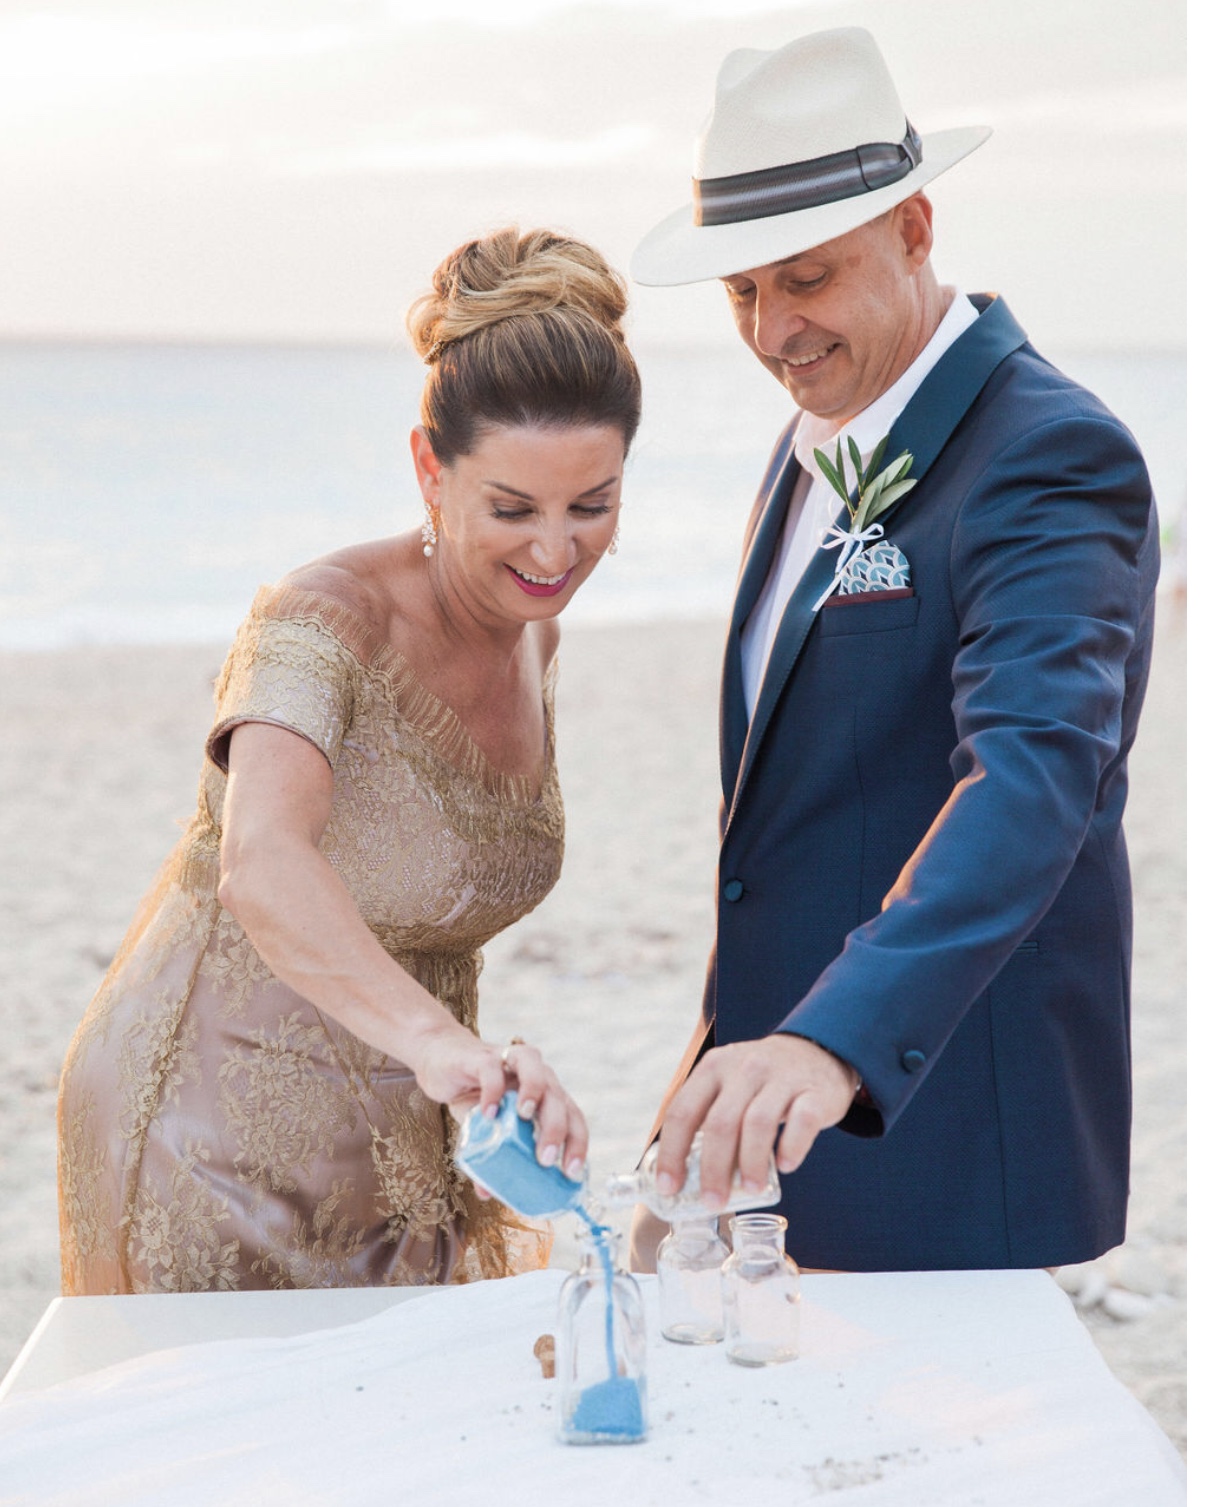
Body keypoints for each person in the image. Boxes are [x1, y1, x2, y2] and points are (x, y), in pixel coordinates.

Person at [628, 28, 1159, 1272]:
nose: (772, 331)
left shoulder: (1048, 454)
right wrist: (712, 1074)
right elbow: (796, 827)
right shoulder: (812, 437)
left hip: (949, 1145)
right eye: (742, 292)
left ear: (915, 229)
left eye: (804, 278)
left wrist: (834, 1041)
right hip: (769, 1121)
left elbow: (1033, 777)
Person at [57, 227, 641, 1294]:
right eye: (510, 509)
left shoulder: (534, 633)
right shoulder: (324, 618)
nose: (554, 554)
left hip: (408, 1130)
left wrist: (481, 1064)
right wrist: (436, 1042)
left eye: (589, 506)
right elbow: (263, 860)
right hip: (210, 1134)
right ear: (429, 465)